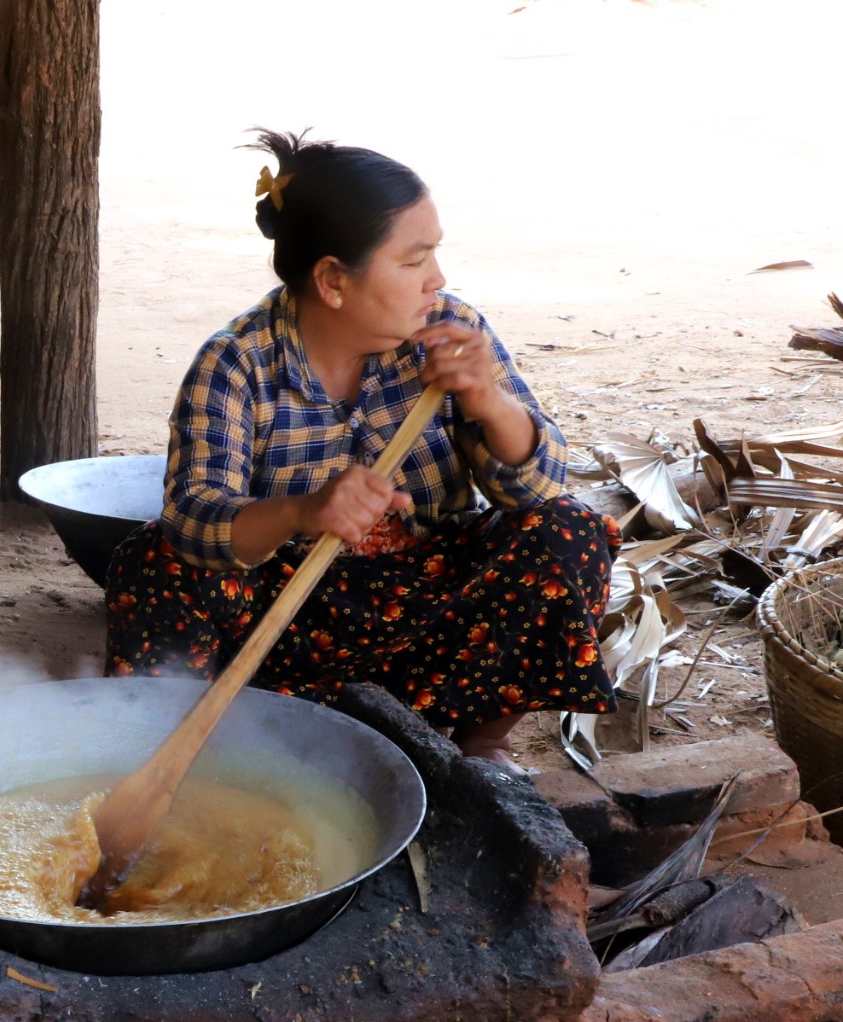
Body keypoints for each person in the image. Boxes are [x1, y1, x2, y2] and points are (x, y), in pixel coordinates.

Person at [105, 129, 619, 771]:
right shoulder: (237, 364)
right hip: (288, 630)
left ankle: (483, 740)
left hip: (430, 618)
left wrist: (489, 400)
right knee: (153, 561)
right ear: (332, 281)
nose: (437, 278)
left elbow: (536, 490)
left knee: (568, 531)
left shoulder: (449, 335)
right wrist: (300, 513)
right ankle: (179, 751)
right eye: (413, 260)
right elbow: (192, 521)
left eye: (434, 256)